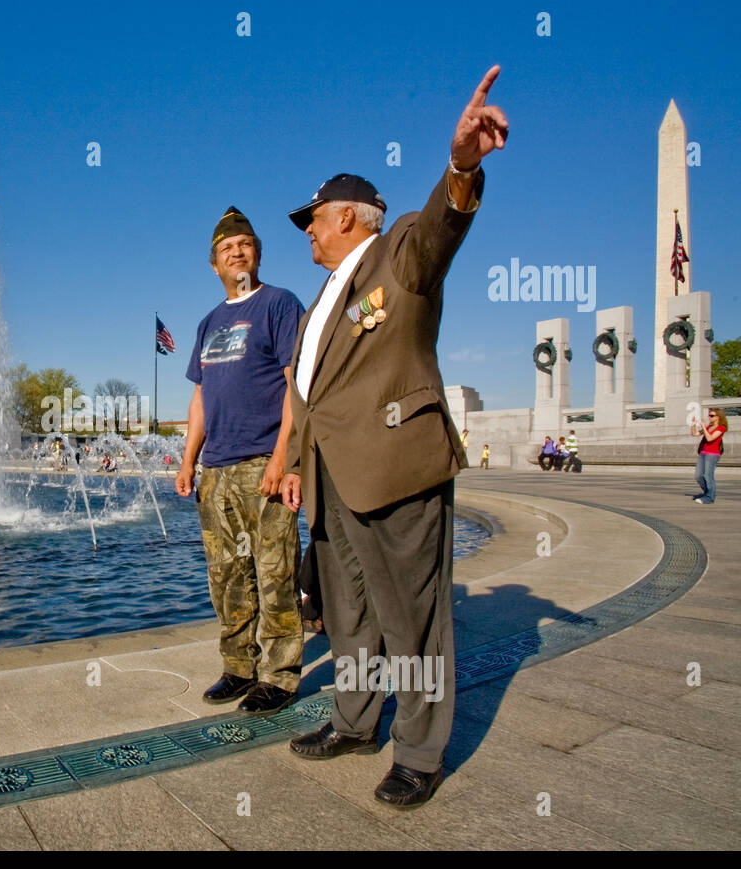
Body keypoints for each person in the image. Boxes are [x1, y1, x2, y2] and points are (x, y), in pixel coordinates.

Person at [278, 65, 508, 808]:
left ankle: (418, 749)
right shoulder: (322, 297)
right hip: (331, 483)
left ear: (348, 216)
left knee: (412, 618)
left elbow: (441, 228)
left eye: (313, 217)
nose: (308, 230)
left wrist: (460, 166)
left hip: (394, 467)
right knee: (348, 614)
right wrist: (291, 464)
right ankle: (353, 720)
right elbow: (309, 392)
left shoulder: (397, 253)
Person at [176, 205, 306, 713]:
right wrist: (189, 461)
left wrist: (283, 460)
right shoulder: (209, 322)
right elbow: (201, 397)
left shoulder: (279, 305)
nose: (238, 252)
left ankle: (279, 676)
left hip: (262, 464)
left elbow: (297, 385)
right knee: (226, 576)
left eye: (246, 245)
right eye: (228, 248)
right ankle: (238, 666)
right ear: (214, 264)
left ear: (258, 254)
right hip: (217, 470)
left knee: (275, 572)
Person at [692, 408, 726, 504]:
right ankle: (707, 493)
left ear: (718, 417)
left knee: (708, 476)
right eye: (709, 415)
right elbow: (694, 434)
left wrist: (703, 427)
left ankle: (709, 497)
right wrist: (693, 424)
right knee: (698, 476)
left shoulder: (721, 428)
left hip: (712, 454)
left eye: (711, 416)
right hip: (703, 453)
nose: (709, 417)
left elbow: (710, 438)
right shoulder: (708, 427)